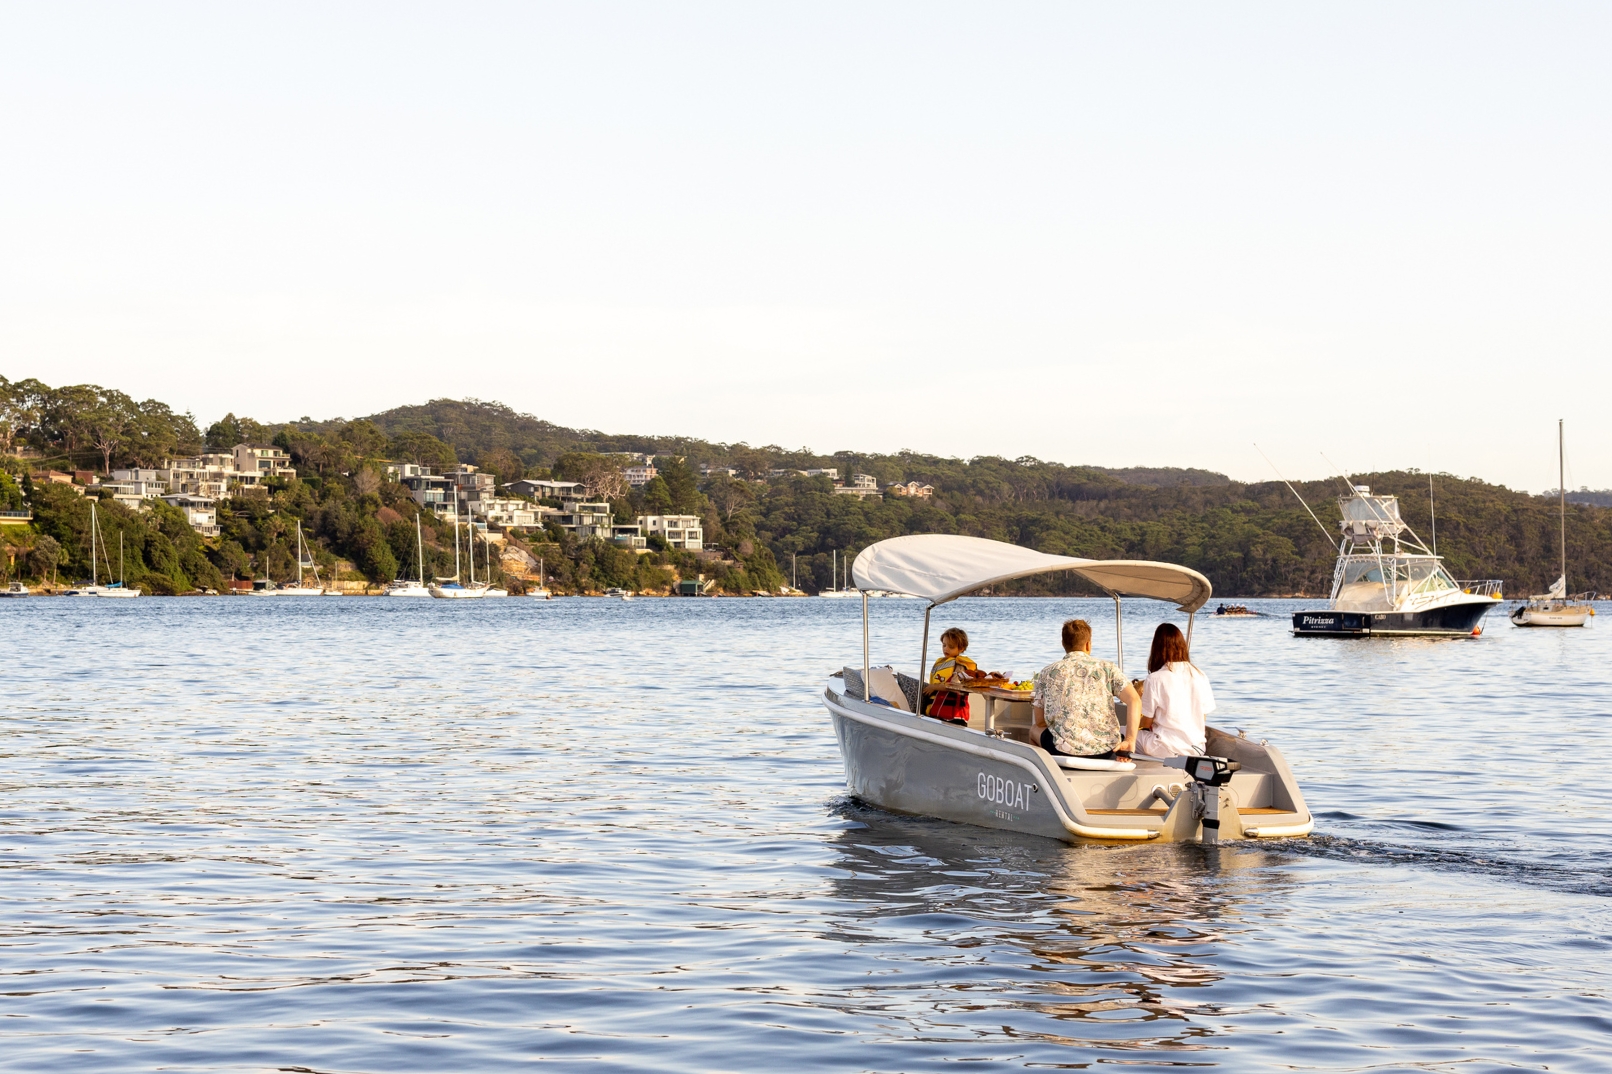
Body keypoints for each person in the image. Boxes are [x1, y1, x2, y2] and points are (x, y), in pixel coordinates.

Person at [1031, 619, 1141, 759]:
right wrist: (1130, 739)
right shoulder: (1108, 669)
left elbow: (1040, 721)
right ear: (1088, 644)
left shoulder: (1047, 672)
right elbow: (1134, 700)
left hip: (1063, 749)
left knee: (1034, 730)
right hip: (1107, 750)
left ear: (1063, 644)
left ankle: (1044, 775)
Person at [1134, 622, 1214, 758]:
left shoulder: (1154, 678)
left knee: (1121, 733)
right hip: (1197, 749)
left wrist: (1132, 723)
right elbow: (1203, 715)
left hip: (1166, 748)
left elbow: (1146, 723)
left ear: (1156, 648)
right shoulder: (1200, 674)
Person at [928, 627, 982, 723]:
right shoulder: (940, 662)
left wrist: (933, 687)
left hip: (955, 716)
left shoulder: (961, 665)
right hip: (939, 711)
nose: (946, 649)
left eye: (951, 647)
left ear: (961, 648)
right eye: (944, 645)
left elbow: (954, 686)